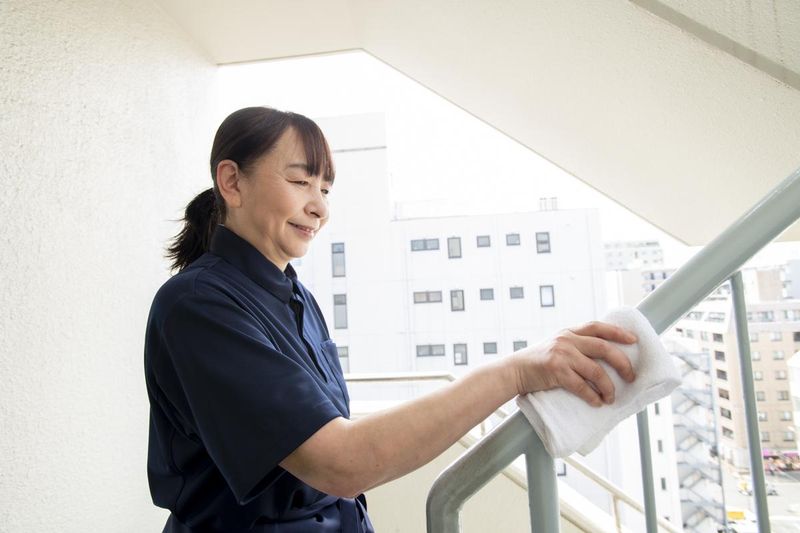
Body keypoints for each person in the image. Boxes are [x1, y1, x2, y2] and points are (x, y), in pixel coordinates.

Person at [144, 106, 638, 532]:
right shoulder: (196, 305)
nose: (318, 207)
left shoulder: (299, 297)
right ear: (232, 182)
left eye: (325, 188)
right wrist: (517, 372)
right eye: (299, 181)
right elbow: (341, 461)